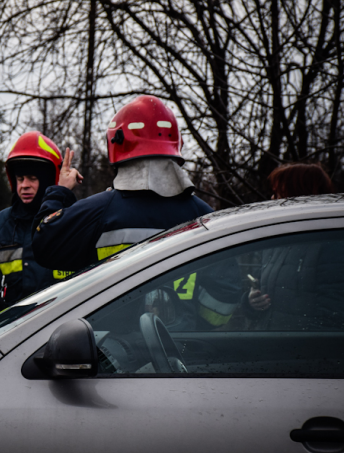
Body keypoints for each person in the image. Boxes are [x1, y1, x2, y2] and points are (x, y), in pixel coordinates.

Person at [33, 95, 240, 328]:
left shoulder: (100, 211)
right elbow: (228, 290)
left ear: (117, 143)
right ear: (175, 143)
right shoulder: (204, 217)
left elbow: (43, 244)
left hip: (113, 354)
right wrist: (196, 331)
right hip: (187, 355)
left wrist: (60, 191)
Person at [0, 131, 71, 309]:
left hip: (58, 326)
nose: (24, 185)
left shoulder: (67, 221)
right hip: (9, 328)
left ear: (47, 180)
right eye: (20, 178)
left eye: (32, 178)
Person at [247, 162, 338, 327]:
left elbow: (334, 315)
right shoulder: (278, 240)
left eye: (279, 194)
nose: (273, 200)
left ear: (299, 195)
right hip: (272, 345)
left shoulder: (330, 244)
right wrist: (252, 302)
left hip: (301, 350)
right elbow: (261, 288)